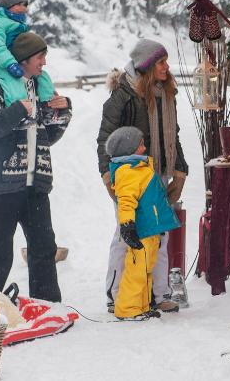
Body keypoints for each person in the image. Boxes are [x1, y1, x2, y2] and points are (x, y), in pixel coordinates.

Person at [0, 32, 72, 302]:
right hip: (2, 185)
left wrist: (62, 113)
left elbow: (46, 138)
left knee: (44, 247)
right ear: (24, 59)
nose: (44, 63)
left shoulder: (39, 88)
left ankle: (47, 305)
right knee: (0, 249)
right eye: (40, 57)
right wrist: (17, 110)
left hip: (35, 183)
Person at [97, 38, 188, 313]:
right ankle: (116, 294)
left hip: (158, 176)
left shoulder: (166, 93)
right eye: (161, 62)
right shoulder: (123, 97)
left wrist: (180, 172)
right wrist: (107, 177)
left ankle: (158, 294)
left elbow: (174, 137)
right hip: (131, 177)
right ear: (147, 66)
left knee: (158, 236)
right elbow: (104, 140)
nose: (166, 67)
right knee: (127, 235)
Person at [105, 126, 181, 319]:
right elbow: (126, 202)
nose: (144, 147)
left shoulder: (139, 167)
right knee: (136, 271)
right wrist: (127, 225)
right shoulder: (128, 171)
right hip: (141, 229)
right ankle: (128, 309)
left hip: (150, 229)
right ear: (129, 149)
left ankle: (142, 306)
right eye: (140, 145)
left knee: (146, 269)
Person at [0, 0, 55, 108]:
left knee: (42, 76)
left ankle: (49, 104)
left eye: (25, 4)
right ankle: (19, 111)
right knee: (14, 82)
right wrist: (10, 64)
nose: (24, 8)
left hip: (15, 61)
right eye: (19, 4)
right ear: (7, 4)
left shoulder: (16, 22)